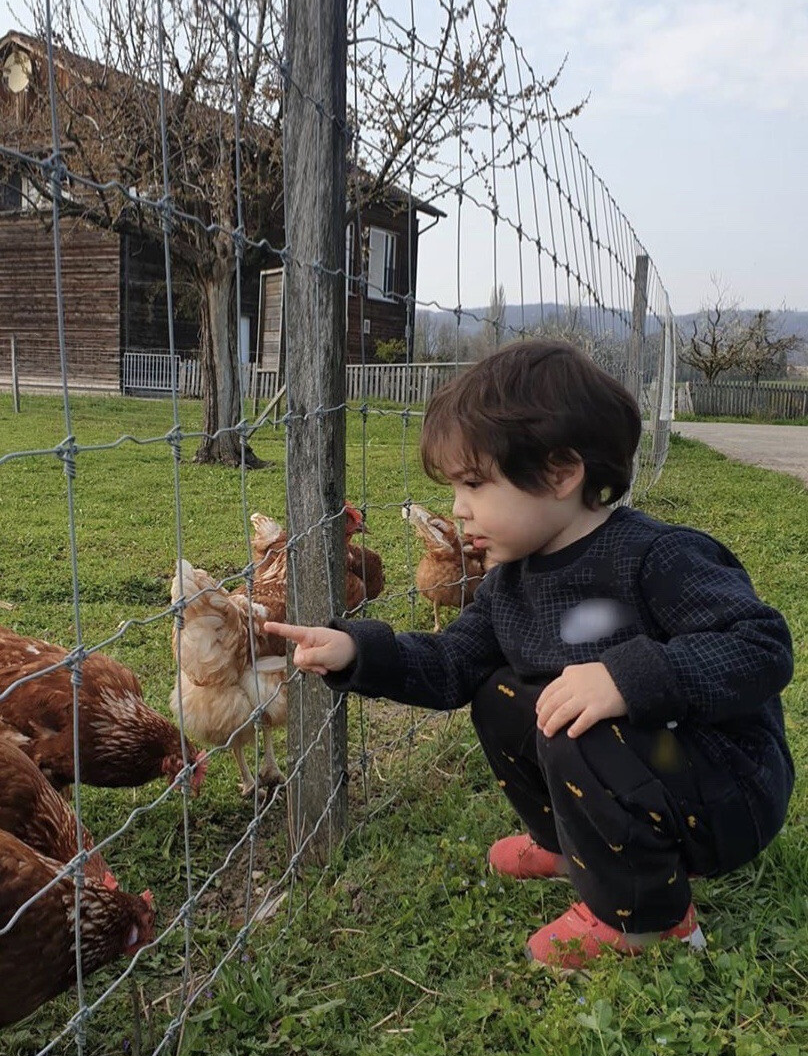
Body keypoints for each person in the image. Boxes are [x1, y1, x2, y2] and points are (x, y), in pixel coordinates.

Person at [265, 339, 794, 971]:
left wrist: (627, 676)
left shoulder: (657, 557)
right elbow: (452, 665)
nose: (459, 508)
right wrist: (358, 651)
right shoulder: (510, 580)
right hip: (643, 766)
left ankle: (651, 919)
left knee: (580, 715)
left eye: (474, 483)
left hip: (725, 789)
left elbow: (761, 647)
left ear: (561, 473)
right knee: (500, 693)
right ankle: (571, 845)